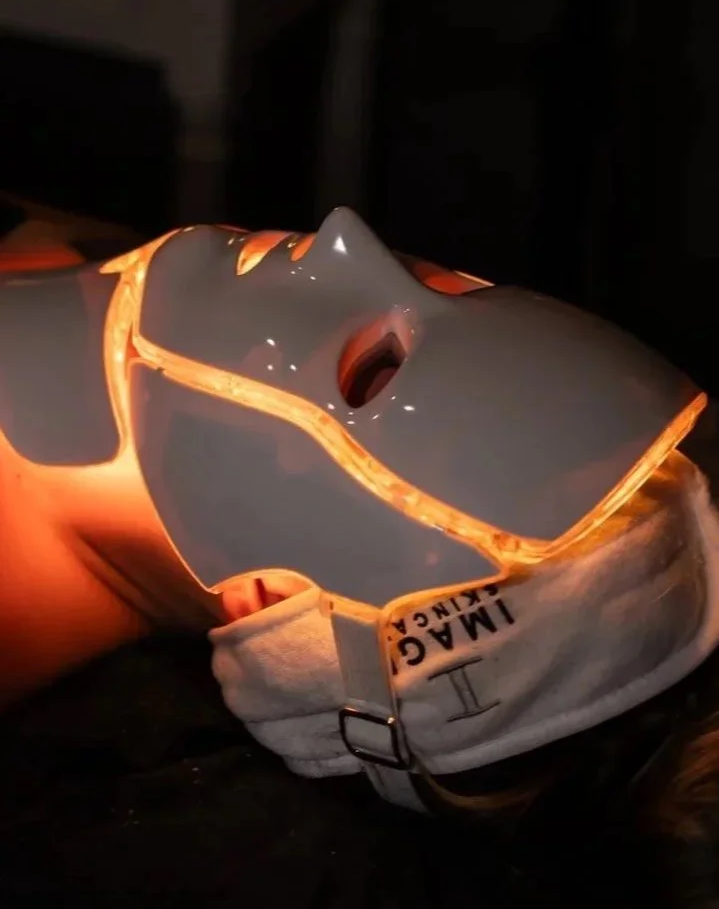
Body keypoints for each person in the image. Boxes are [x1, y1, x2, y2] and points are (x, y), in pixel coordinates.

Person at [2, 210, 719, 908]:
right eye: (452, 285)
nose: (347, 236)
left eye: (373, 367)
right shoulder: (75, 254)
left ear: (271, 598)